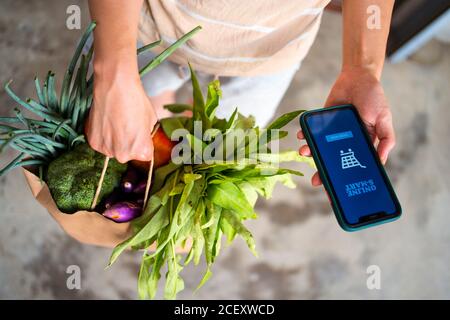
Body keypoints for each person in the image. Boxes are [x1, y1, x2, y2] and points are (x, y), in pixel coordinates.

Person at [86, 0, 396, 187]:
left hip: (271, 55)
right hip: (147, 30)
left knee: (210, 159)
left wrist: (362, 69)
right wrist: (114, 73)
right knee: (145, 145)